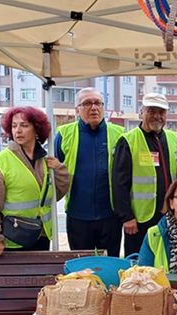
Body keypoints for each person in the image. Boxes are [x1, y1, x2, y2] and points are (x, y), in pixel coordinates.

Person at [0, 107, 69, 256]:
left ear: (37, 129)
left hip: (40, 235)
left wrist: (59, 169)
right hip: (11, 240)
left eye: (24, 125)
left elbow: (54, 195)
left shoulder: (45, 162)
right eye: (14, 126)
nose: (18, 130)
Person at [55, 88, 124, 257]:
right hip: (78, 214)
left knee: (110, 264)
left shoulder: (120, 133)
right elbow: (53, 170)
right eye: (87, 103)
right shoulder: (64, 134)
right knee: (81, 266)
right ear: (77, 109)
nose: (93, 108)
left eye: (97, 103)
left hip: (110, 214)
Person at [112, 93, 177, 256]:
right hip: (139, 219)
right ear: (142, 112)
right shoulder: (128, 141)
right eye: (151, 111)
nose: (157, 116)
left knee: (166, 260)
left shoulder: (173, 139)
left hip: (169, 216)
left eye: (161, 112)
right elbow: (119, 183)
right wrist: (126, 217)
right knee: (139, 262)